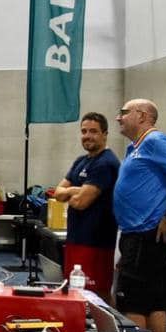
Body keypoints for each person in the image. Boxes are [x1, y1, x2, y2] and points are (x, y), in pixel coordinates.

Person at [113, 99, 166, 332]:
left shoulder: (155, 141)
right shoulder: (135, 147)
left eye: (124, 113)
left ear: (142, 116)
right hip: (135, 235)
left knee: (134, 302)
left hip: (147, 234)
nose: (119, 117)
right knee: (151, 300)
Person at [52, 112, 119, 302]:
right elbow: (57, 194)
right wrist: (77, 190)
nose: (87, 136)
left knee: (97, 295)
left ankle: (113, 328)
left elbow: (81, 203)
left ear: (105, 134)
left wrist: (70, 192)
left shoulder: (106, 163)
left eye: (93, 131)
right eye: (84, 131)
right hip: (77, 238)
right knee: (75, 291)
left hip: (97, 242)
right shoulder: (81, 161)